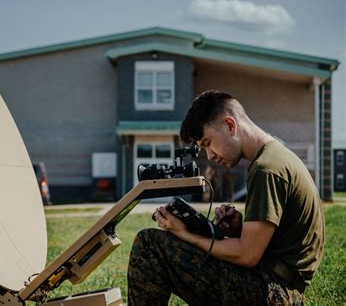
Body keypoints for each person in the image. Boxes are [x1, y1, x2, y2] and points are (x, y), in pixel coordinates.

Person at [127, 90, 324, 305]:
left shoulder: (266, 169)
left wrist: (184, 234)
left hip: (272, 292)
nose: (209, 155)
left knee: (149, 244)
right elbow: (278, 239)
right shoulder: (277, 157)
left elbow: (247, 255)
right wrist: (240, 228)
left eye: (208, 142)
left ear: (230, 125)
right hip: (282, 287)